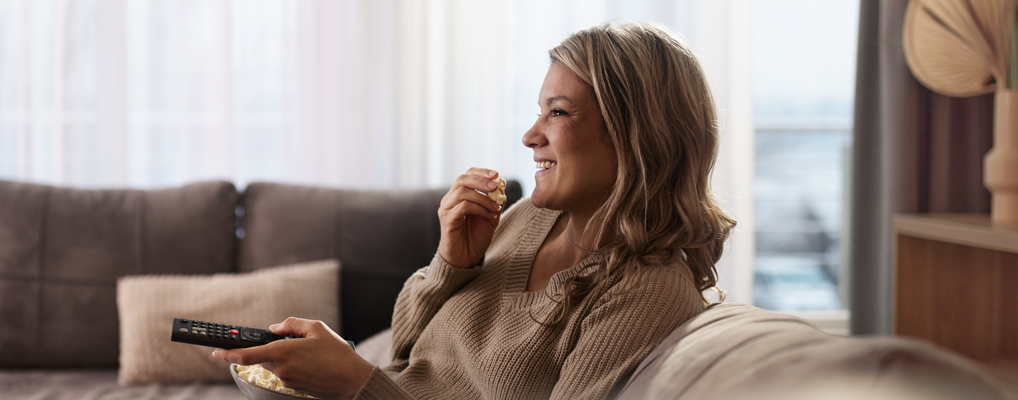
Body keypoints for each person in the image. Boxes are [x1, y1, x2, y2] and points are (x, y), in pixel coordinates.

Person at [213, 21, 736, 400]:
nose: (531, 136)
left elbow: (379, 381)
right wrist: (451, 265)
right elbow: (405, 351)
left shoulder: (645, 292)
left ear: (636, 135)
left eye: (558, 112)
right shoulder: (530, 218)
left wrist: (355, 384)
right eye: (538, 111)